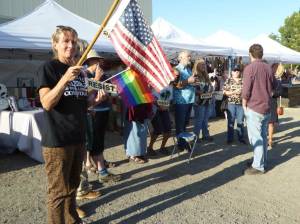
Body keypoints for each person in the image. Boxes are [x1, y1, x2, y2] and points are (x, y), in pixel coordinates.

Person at [37, 25, 103, 224]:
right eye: (65, 41)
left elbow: (80, 105)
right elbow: (47, 102)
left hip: (77, 138)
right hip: (57, 141)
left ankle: (72, 220)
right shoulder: (48, 68)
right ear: (55, 44)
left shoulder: (80, 72)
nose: (70, 45)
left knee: (73, 186)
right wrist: (64, 79)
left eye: (73, 41)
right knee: (58, 192)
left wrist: (94, 101)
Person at [83, 49, 121, 184]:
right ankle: (99, 169)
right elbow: (84, 94)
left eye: (98, 60)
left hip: (104, 109)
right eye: (95, 61)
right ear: (89, 62)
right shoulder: (85, 75)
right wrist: (98, 82)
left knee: (98, 140)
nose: (98, 63)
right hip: (92, 112)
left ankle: (100, 167)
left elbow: (113, 90)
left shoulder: (103, 76)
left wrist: (110, 93)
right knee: (93, 141)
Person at [242, 44, 275, 175]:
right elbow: (275, 85)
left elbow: (246, 90)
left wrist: (244, 105)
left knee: (256, 138)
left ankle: (258, 166)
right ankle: (261, 160)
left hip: (254, 107)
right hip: (266, 107)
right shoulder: (268, 68)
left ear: (250, 54)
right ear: (261, 54)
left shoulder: (250, 68)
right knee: (262, 136)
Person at [173, 51, 196, 150]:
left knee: (185, 123)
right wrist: (188, 81)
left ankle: (182, 142)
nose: (190, 58)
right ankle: (181, 144)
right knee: (180, 124)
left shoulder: (188, 69)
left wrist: (195, 83)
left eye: (190, 56)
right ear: (180, 58)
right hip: (181, 102)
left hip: (189, 100)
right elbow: (176, 85)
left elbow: (190, 82)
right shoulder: (176, 70)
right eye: (188, 56)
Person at [223, 64, 246, 144]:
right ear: (231, 72)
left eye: (237, 70)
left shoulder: (243, 80)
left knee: (240, 121)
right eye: (234, 70)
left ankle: (241, 137)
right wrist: (234, 92)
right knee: (231, 121)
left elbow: (247, 92)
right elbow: (225, 92)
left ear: (240, 72)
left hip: (241, 104)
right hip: (231, 103)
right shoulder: (228, 80)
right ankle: (230, 138)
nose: (236, 72)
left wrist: (242, 93)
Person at [192, 58, 214, 141]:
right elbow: (194, 89)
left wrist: (211, 89)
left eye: (204, 64)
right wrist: (201, 92)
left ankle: (206, 135)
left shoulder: (206, 75)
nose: (203, 66)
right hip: (199, 102)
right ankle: (196, 137)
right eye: (201, 64)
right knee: (199, 120)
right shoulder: (195, 75)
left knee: (205, 119)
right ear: (196, 65)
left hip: (207, 100)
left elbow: (210, 86)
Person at [147, 86, 172, 155]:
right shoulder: (154, 81)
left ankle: (162, 148)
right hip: (155, 110)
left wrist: (165, 105)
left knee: (168, 130)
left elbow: (169, 100)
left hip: (164, 109)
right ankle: (150, 148)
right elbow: (149, 96)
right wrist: (158, 104)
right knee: (157, 130)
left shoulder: (170, 86)